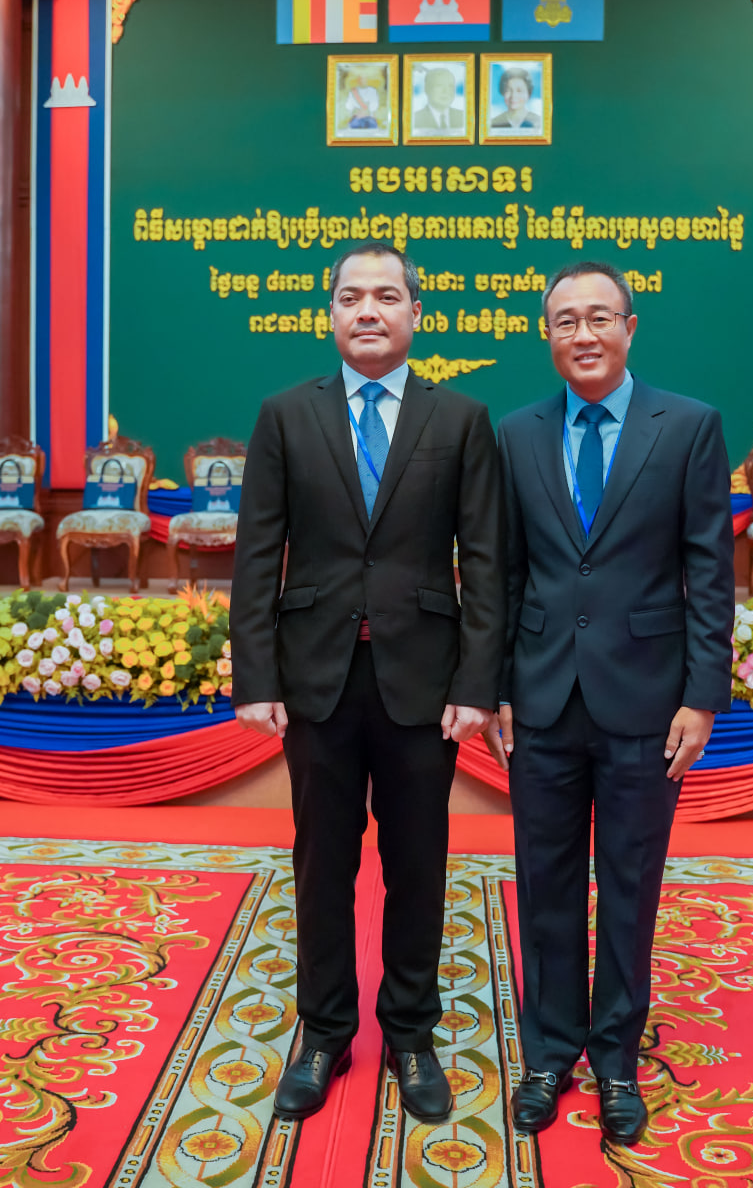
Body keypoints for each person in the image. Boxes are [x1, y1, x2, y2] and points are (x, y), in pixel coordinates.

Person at [231, 242, 505, 1126]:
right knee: (322, 863)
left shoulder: (460, 418)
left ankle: (411, 1034)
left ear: (416, 313)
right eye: (351, 297)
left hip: (424, 684)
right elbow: (256, 555)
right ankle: (322, 1033)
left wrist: (477, 682)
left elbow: (485, 561)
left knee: (418, 864)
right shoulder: (285, 414)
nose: (368, 311)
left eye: (386, 297)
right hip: (315, 678)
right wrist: (255, 676)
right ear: (331, 314)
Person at [485, 260, 734, 1146]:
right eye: (565, 320)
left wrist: (702, 696)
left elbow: (708, 569)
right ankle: (548, 1053)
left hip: (647, 700)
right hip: (542, 699)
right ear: (545, 335)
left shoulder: (688, 426)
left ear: (630, 328)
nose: (582, 334)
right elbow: (504, 573)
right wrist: (496, 688)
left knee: (630, 886)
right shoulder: (515, 433)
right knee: (545, 884)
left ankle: (617, 1059)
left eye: (599, 317)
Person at [412, 66, 465, 131]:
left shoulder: (464, 117)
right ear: (427, 89)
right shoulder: (414, 119)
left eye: (450, 86)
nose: (446, 91)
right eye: (439, 85)